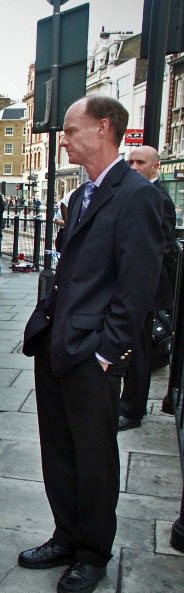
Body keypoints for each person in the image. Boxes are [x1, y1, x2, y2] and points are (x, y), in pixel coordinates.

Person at [20, 96, 163, 593]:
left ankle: (92, 553)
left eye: (71, 129)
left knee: (93, 457)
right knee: (57, 451)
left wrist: (108, 354)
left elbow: (138, 287)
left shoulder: (135, 195)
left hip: (91, 356)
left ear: (104, 129)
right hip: (56, 346)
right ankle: (65, 535)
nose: (63, 138)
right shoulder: (82, 195)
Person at [117, 145, 178, 431]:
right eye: (129, 161)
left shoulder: (158, 198)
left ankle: (132, 408)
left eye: (140, 162)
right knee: (132, 347)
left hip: (145, 288)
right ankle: (127, 403)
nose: (133, 167)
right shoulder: (138, 194)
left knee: (138, 350)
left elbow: (160, 246)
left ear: (155, 167)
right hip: (133, 285)